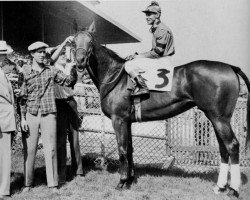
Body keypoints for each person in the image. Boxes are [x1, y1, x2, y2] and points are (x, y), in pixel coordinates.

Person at [19, 41, 77, 193]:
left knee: (51, 149)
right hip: (31, 114)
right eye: (38, 52)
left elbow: (68, 81)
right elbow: (22, 97)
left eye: (44, 51)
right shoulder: (25, 72)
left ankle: (53, 184)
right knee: (29, 150)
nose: (42, 54)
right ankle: (28, 184)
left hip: (49, 114)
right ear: (32, 54)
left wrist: (75, 69)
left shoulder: (51, 71)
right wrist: (23, 118)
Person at [50, 36, 84, 185]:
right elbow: (52, 59)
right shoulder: (51, 69)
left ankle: (78, 170)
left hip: (72, 104)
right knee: (61, 140)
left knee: (75, 138)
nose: (63, 55)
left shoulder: (70, 68)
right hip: (59, 105)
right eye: (61, 54)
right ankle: (62, 173)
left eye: (65, 53)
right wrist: (63, 42)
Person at [125, 1, 175, 97]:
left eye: (149, 14)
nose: (146, 17)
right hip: (161, 59)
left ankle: (143, 88)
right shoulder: (157, 28)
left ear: (157, 15)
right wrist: (138, 56)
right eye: (146, 15)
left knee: (129, 65)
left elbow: (157, 52)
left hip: (162, 61)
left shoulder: (161, 29)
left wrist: (139, 56)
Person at [0, 40, 16, 199]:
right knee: (4, 157)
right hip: (1, 121)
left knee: (4, 156)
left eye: (4, 55)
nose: (4, 58)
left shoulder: (2, 73)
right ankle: (3, 191)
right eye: (2, 55)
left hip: (5, 119)